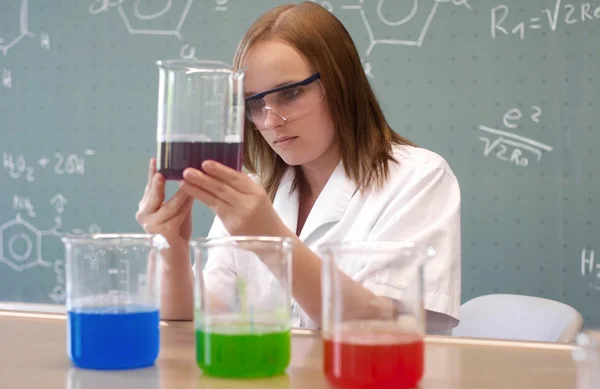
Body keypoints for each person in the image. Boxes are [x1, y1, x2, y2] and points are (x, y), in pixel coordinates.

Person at [136, 1, 461, 333]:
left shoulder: (419, 178)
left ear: (340, 83)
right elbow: (200, 315)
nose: (270, 120)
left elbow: (385, 331)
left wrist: (268, 237)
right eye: (254, 104)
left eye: (289, 93)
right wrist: (172, 249)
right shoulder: (255, 190)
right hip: (272, 381)